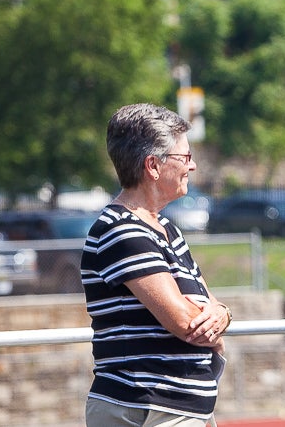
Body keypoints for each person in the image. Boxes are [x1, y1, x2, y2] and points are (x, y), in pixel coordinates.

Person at [81, 103, 230, 427]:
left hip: (177, 409)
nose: (192, 167)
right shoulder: (121, 230)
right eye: (185, 158)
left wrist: (222, 314)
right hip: (148, 408)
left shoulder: (166, 229)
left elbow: (209, 305)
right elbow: (184, 321)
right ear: (153, 166)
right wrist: (213, 324)